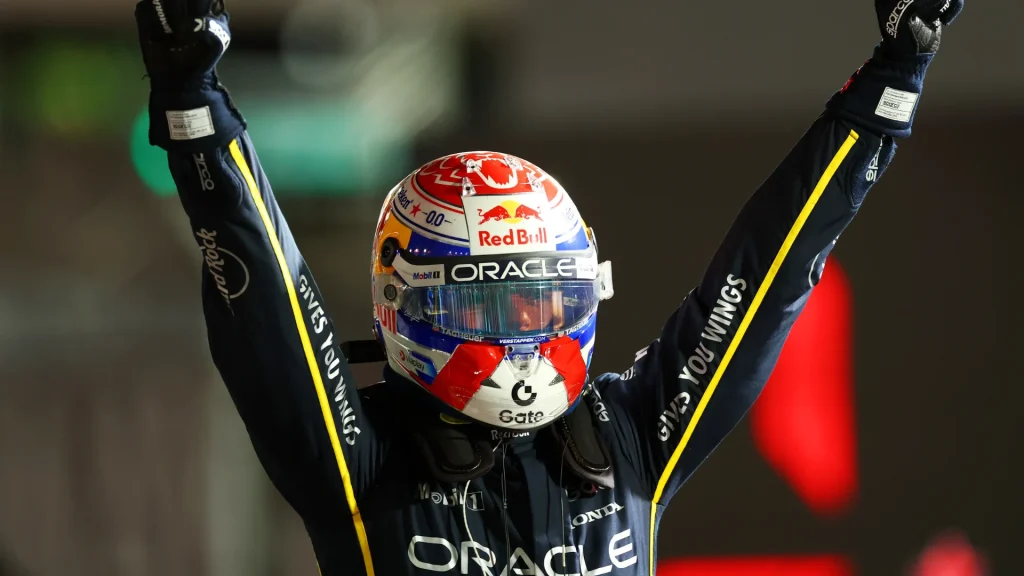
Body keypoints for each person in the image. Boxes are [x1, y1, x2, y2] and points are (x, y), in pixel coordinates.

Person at [134, 0, 964, 574]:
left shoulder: (628, 435)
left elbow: (765, 274)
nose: (523, 334)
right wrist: (191, 100)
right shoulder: (362, 460)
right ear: (409, 306)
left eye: (546, 299)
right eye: (486, 302)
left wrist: (892, 85)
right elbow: (268, 295)